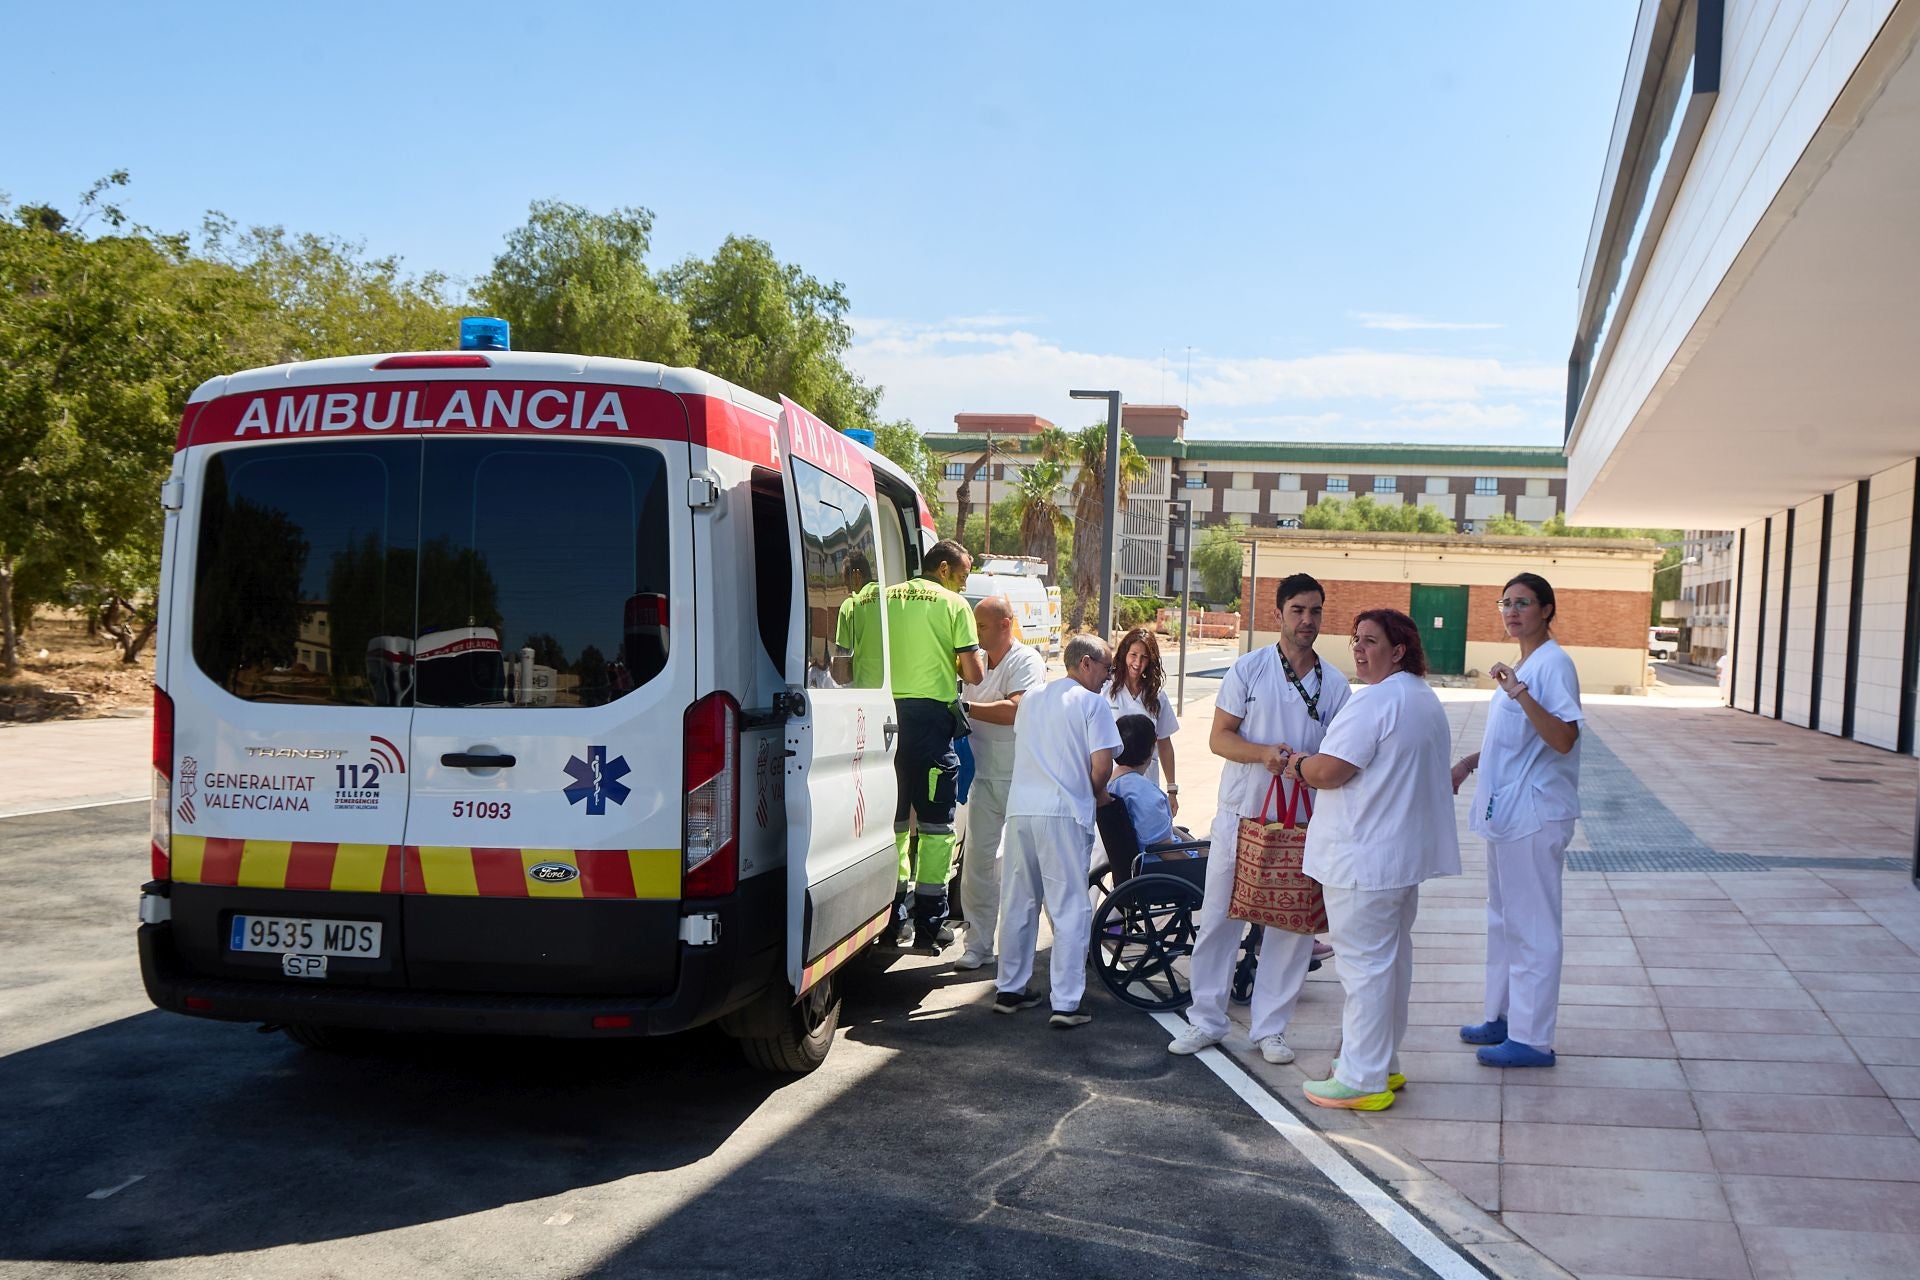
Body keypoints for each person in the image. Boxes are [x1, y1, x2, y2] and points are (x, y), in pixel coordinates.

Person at [1167, 573, 1351, 1064]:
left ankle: (1271, 1029)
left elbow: (1341, 754)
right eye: (1298, 610)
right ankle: (1206, 1020)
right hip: (1241, 814)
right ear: (1278, 615)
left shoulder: (1335, 684)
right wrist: (1263, 754)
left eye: (1315, 611)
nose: (1307, 620)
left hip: (1304, 823)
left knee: (1292, 927)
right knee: (1220, 920)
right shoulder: (1248, 670)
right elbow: (1219, 738)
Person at [1282, 608, 1460, 1110]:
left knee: (1364, 971)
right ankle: (1382, 1062)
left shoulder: (1376, 701)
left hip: (1362, 859)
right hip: (1396, 859)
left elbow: (1331, 770)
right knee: (1390, 966)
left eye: (1371, 641)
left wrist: (1297, 763)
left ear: (1399, 650)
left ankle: (1362, 1079)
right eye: (1355, 639)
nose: (1358, 649)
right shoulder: (1422, 699)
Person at [1451, 573, 1583, 1069]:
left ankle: (1533, 1038)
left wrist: (1520, 693)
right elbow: (1513, 739)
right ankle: (1503, 1018)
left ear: (1547, 609)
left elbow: (1563, 737)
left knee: (1533, 927)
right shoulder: (1528, 663)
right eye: (1505, 602)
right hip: (1507, 813)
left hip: (1535, 815)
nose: (1512, 611)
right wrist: (1467, 763)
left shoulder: (1553, 665)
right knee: (1503, 922)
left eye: (1523, 603)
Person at [844, 538, 985, 951]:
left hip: (878, 720)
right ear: (943, 569)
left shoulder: (874, 600)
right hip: (928, 725)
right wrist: (956, 659)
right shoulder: (954, 606)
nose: (964, 582)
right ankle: (930, 923)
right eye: (963, 573)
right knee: (938, 827)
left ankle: (890, 918)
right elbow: (974, 675)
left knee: (894, 827)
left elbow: (846, 663)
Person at [994, 634, 1121, 1029]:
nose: (1107, 677)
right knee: (1069, 908)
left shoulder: (1031, 699)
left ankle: (1009, 989)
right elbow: (1101, 768)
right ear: (1086, 663)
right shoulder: (1092, 704)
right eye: (1106, 668)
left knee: (1019, 901)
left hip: (1021, 811)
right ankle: (1066, 1002)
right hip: (1063, 813)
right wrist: (1097, 795)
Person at [955, 595, 1048, 972]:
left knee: (1017, 867)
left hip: (1020, 778)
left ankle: (1019, 950)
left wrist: (962, 708)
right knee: (976, 864)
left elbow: (1016, 709)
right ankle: (977, 946)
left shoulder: (1026, 660)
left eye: (982, 626)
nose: (975, 633)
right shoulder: (971, 662)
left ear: (1006, 624)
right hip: (981, 776)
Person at [1106, 628, 1181, 814]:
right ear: (1124, 654)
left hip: (1146, 782)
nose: (1137, 663)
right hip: (1111, 784)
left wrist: (1172, 790)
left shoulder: (1156, 696)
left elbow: (1164, 743)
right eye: (1133, 655)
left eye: (1144, 657)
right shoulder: (1106, 690)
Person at [1108, 714, 1176, 846]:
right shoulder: (1143, 793)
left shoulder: (1110, 784)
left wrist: (1194, 842)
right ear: (1151, 748)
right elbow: (1165, 849)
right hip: (1162, 863)